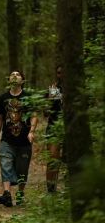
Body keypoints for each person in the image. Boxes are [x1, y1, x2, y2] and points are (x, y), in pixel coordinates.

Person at [0, 70, 38, 207]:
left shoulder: (28, 97)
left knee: (22, 170)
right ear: (8, 80)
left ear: (22, 81)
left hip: (24, 141)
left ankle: (20, 193)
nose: (14, 76)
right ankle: (7, 194)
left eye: (18, 75)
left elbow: (34, 116)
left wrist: (32, 131)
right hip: (7, 140)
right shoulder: (3, 98)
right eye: (12, 74)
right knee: (5, 165)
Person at [45, 65, 63, 193]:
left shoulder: (75, 89)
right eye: (58, 72)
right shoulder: (54, 89)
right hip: (53, 128)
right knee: (53, 158)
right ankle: (51, 190)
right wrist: (50, 99)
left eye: (63, 72)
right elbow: (46, 113)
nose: (61, 75)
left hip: (71, 128)